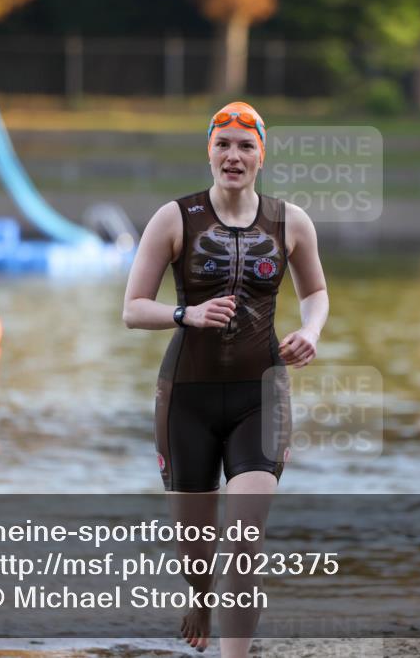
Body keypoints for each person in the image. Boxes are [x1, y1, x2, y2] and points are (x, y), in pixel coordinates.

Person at [122, 101, 329, 656]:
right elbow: (132, 308)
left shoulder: (291, 222)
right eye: (223, 144)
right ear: (208, 151)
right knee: (197, 554)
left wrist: (311, 331)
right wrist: (184, 314)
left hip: (260, 397)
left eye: (245, 146)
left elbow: (316, 293)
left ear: (262, 155)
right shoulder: (174, 219)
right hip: (185, 399)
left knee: (243, 543)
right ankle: (198, 595)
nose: (233, 156)